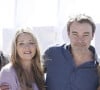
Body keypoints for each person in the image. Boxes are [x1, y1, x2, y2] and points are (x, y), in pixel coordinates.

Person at [44, 14, 99, 90]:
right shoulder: (52, 53)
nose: (80, 40)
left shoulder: (98, 68)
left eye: (85, 35)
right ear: (68, 34)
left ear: (92, 35)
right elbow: (29, 73)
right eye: (75, 34)